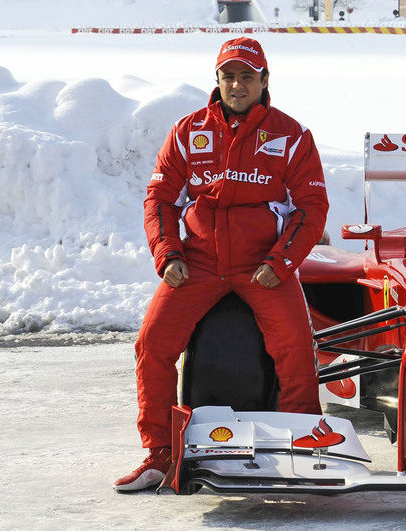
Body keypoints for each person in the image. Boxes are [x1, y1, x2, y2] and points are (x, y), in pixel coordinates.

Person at [115, 37, 329, 491]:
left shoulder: (291, 136)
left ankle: (304, 448)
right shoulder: (188, 131)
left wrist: (282, 260)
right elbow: (160, 200)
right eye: (228, 76)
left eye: (246, 76)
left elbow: (311, 206)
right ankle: (159, 455)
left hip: (263, 265)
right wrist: (167, 253)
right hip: (198, 262)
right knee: (151, 344)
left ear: (264, 81)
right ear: (217, 80)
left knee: (295, 348)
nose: (236, 85)